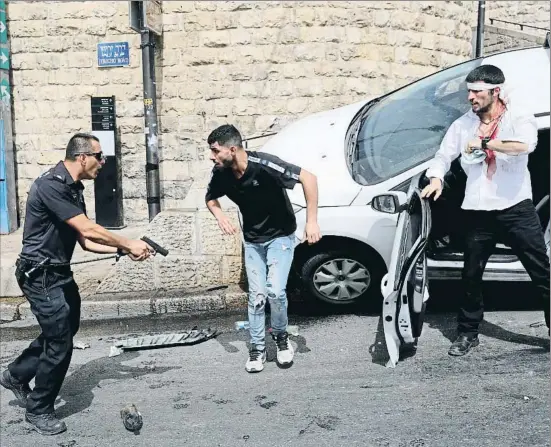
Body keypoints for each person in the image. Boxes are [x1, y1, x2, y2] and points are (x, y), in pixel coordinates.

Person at [0, 133, 154, 435]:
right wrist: (128, 241)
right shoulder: (51, 185)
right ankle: (39, 408)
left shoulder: (73, 189)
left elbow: (84, 240)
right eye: (100, 156)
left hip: (58, 272)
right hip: (39, 275)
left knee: (66, 330)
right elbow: (88, 228)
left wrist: (122, 250)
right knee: (60, 342)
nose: (103, 162)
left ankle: (16, 375)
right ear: (82, 157)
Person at [421, 65, 550, 356]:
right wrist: (436, 177)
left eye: (477, 91)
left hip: (516, 208)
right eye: (469, 91)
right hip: (478, 211)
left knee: (542, 273)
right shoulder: (463, 124)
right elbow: (443, 155)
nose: (471, 97)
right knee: (470, 275)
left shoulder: (518, 118)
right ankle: (467, 333)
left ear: (496, 92)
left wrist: (484, 142)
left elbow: (525, 145)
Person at [205, 124, 321, 373]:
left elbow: (308, 177)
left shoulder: (265, 165)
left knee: (276, 292)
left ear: (232, 149)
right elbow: (210, 198)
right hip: (253, 241)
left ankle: (281, 338)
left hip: (280, 237)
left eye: (215, 151)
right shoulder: (221, 173)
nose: (211, 156)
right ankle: (257, 347)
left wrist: (312, 221)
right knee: (257, 297)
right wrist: (220, 216)